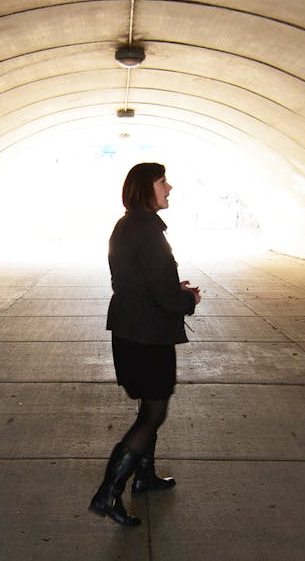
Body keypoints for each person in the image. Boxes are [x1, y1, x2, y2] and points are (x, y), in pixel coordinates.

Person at [88, 162, 202, 527]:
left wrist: (172, 289)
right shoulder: (148, 230)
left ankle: (145, 476)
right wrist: (187, 299)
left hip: (130, 329)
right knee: (154, 413)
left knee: (149, 408)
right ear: (145, 188)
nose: (169, 188)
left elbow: (137, 280)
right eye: (162, 182)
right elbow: (159, 292)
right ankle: (109, 492)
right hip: (147, 334)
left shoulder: (126, 226)